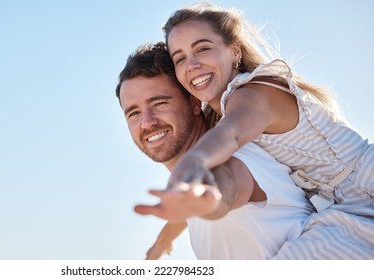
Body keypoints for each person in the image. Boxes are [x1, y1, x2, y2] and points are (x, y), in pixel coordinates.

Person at [157, 2, 374, 259]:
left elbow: (231, 133)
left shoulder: (253, 93)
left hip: (366, 183)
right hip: (340, 210)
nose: (191, 64)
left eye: (202, 48)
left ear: (234, 51)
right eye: (180, 58)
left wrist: (194, 161)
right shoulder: (222, 113)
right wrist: (165, 237)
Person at [115, 42, 312, 259]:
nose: (147, 122)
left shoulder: (237, 159)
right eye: (133, 113)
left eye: (159, 104)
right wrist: (161, 243)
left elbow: (228, 184)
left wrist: (207, 199)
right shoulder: (188, 194)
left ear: (194, 103)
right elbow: (187, 208)